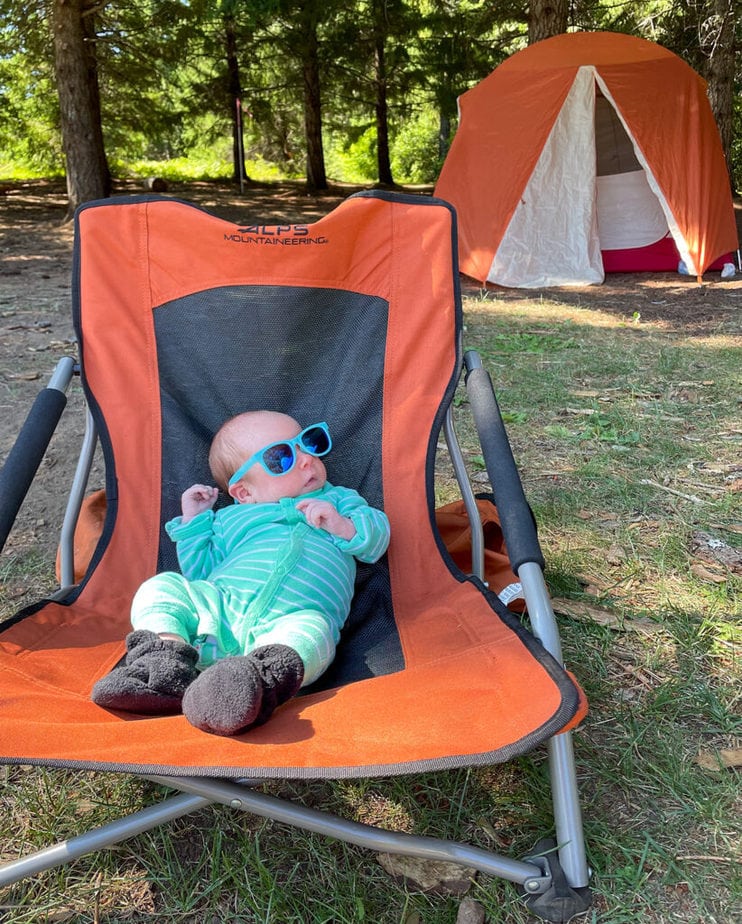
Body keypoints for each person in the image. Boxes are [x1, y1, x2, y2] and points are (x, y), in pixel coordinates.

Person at [92, 411, 390, 736]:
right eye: (282, 457)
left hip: (289, 622)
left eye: (309, 443)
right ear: (244, 493)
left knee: (313, 633)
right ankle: (163, 663)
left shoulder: (340, 501)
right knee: (163, 587)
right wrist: (194, 526)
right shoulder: (231, 520)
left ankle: (257, 681)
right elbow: (201, 572)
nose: (306, 460)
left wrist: (342, 526)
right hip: (217, 614)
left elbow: (376, 542)